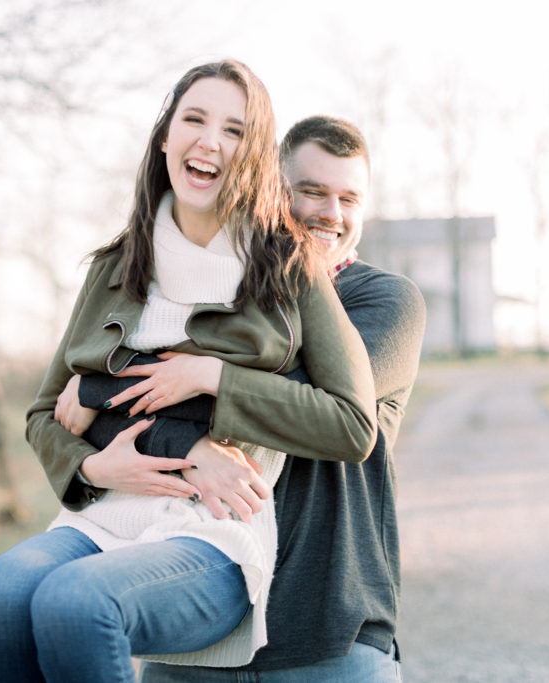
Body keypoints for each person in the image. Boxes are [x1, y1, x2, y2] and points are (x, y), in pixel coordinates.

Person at [0, 62, 378, 683]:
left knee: (77, 604)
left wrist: (214, 377)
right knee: (1, 595)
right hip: (102, 516)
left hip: (211, 532)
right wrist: (88, 466)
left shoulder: (290, 266)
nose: (209, 141)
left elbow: (354, 425)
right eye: (194, 119)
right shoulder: (113, 268)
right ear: (166, 137)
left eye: (234, 130)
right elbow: (42, 413)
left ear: (256, 156)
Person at [138, 116, 427, 681]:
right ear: (273, 189)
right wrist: (187, 440)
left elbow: (321, 405)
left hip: (330, 637)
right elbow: (138, 394)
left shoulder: (385, 300)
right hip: (195, 633)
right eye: (313, 191)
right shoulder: (212, 290)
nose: (332, 214)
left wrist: (205, 374)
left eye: (350, 198)